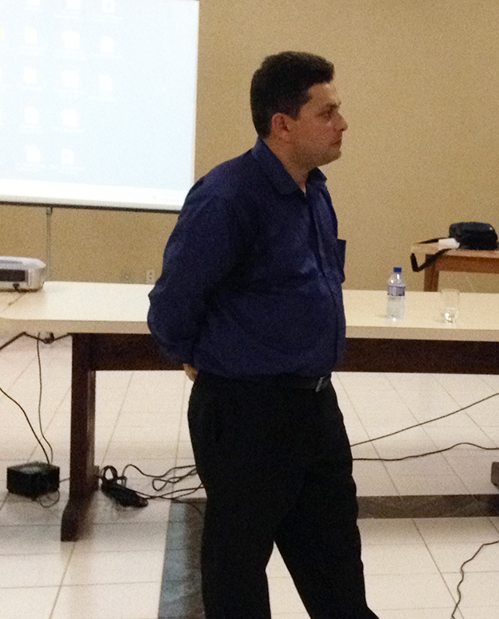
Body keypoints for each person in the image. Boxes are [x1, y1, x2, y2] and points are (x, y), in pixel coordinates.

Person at [147, 51, 378, 619]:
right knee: (238, 571)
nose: (343, 123)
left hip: (315, 406)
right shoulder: (227, 196)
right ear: (283, 124)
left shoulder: (314, 190)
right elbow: (172, 306)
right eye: (327, 112)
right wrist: (199, 357)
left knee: (336, 565)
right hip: (246, 413)